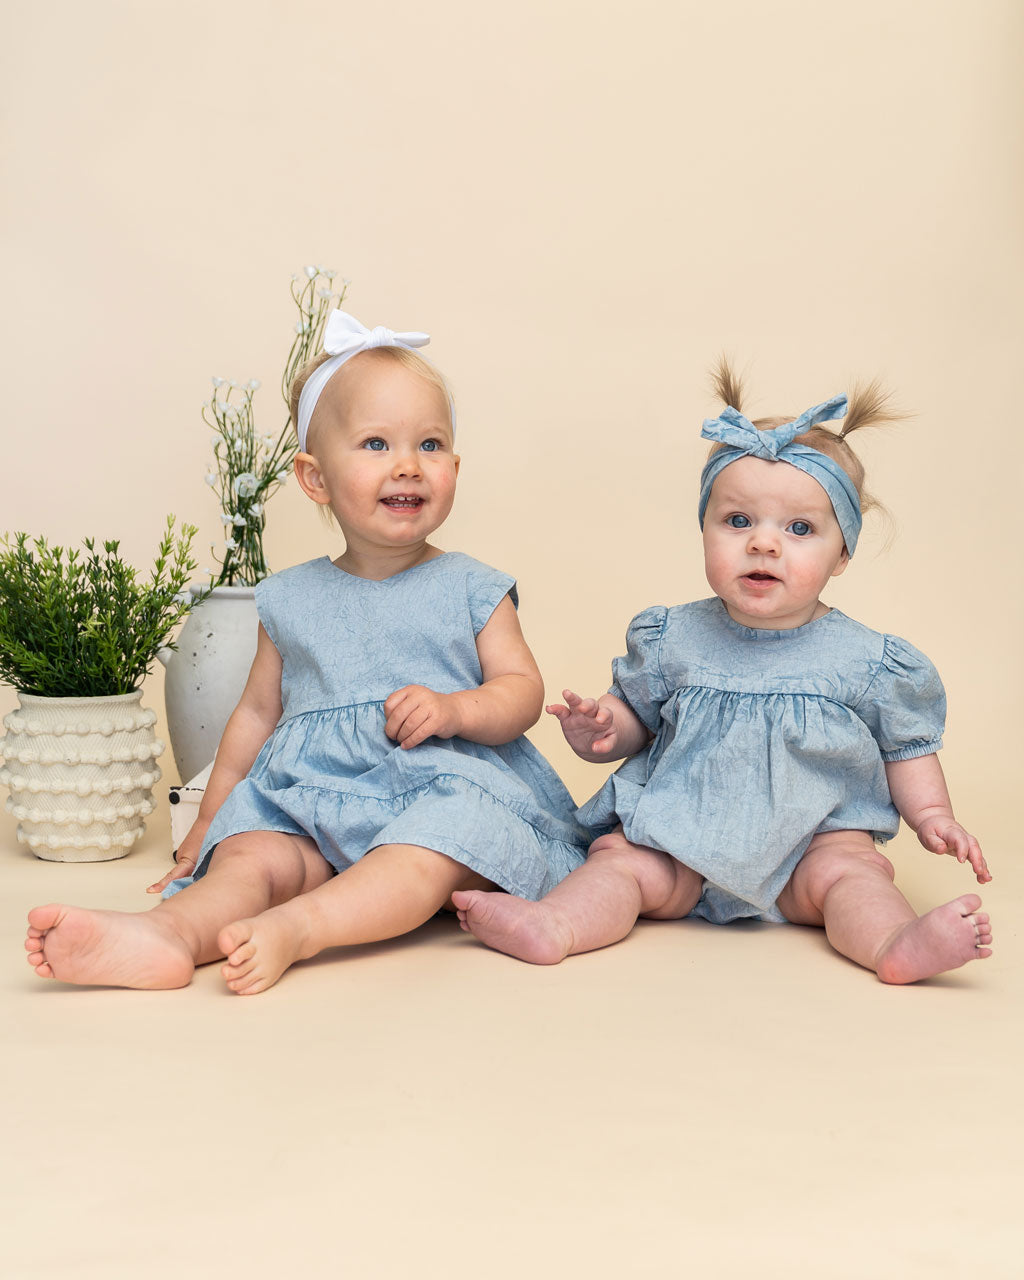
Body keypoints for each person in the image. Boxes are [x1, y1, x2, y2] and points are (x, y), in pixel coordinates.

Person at [25, 311, 588, 994]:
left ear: (455, 468)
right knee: (250, 857)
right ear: (314, 478)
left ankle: (301, 927)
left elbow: (521, 690)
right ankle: (165, 935)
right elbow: (257, 716)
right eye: (376, 443)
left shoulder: (472, 586)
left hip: (435, 789)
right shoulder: (290, 597)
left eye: (430, 444)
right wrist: (211, 820)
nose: (408, 464)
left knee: (428, 851)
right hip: (312, 800)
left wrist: (457, 709)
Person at [453, 364, 993, 983]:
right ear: (704, 528)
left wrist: (932, 817)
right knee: (618, 863)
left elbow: (906, 750)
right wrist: (605, 729)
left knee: (852, 876)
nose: (763, 545)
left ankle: (893, 945)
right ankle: (556, 926)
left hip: (813, 842)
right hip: (679, 832)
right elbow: (637, 720)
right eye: (738, 522)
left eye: (799, 529)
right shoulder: (672, 637)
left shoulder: (867, 660)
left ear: (842, 553)